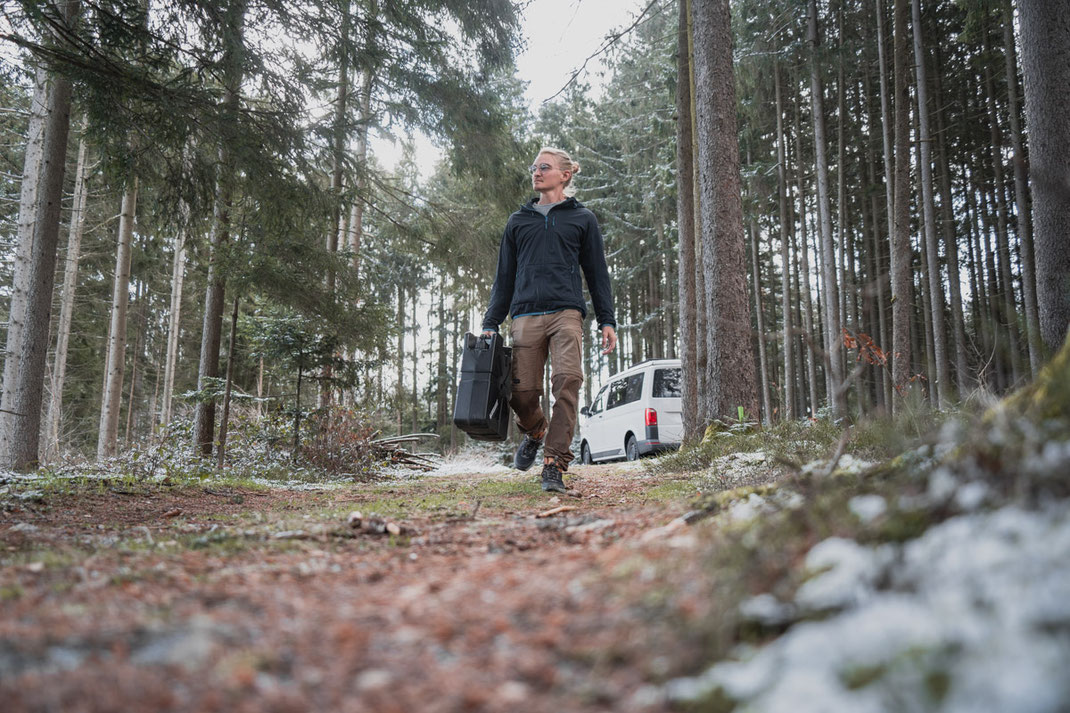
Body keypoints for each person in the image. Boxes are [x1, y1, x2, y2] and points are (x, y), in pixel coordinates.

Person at [481, 147, 617, 493]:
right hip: (525, 314)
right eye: (534, 168)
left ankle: (554, 462)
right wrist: (490, 321)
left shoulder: (582, 218)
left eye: (544, 167)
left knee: (567, 381)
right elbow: (504, 277)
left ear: (565, 174)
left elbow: (597, 273)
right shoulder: (518, 221)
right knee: (521, 393)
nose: (536, 172)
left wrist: (607, 320)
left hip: (566, 313)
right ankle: (536, 432)